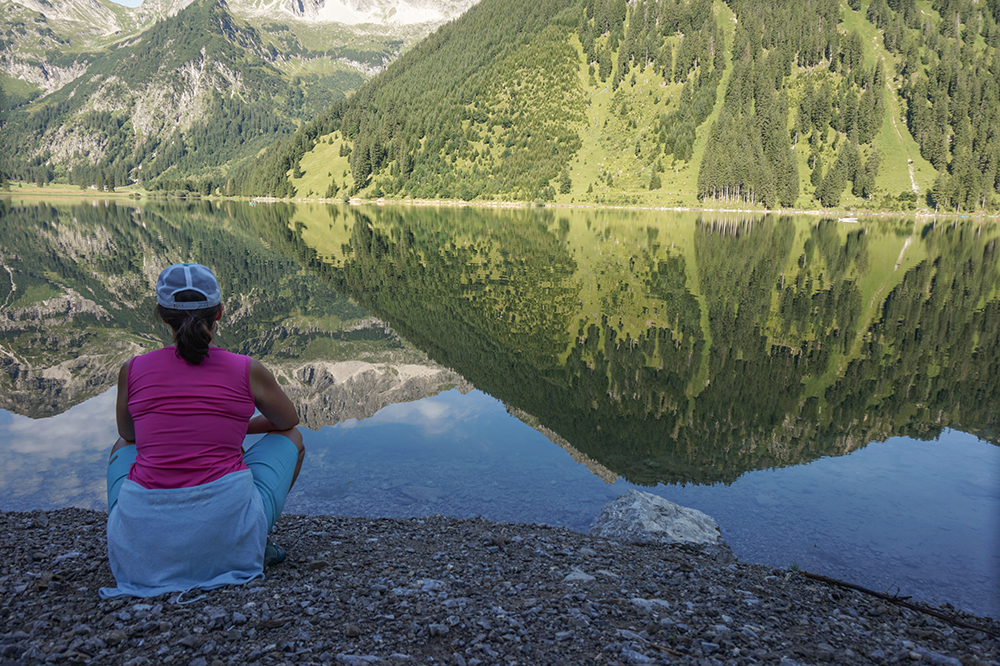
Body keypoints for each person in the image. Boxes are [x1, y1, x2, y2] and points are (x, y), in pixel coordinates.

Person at [101, 263, 305, 598]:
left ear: (163, 317)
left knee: (121, 446)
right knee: (292, 440)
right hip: (228, 537)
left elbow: (130, 434)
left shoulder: (132, 370)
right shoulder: (246, 369)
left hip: (139, 557)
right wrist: (234, 427)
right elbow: (288, 422)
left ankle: (139, 535)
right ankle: (254, 544)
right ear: (220, 313)